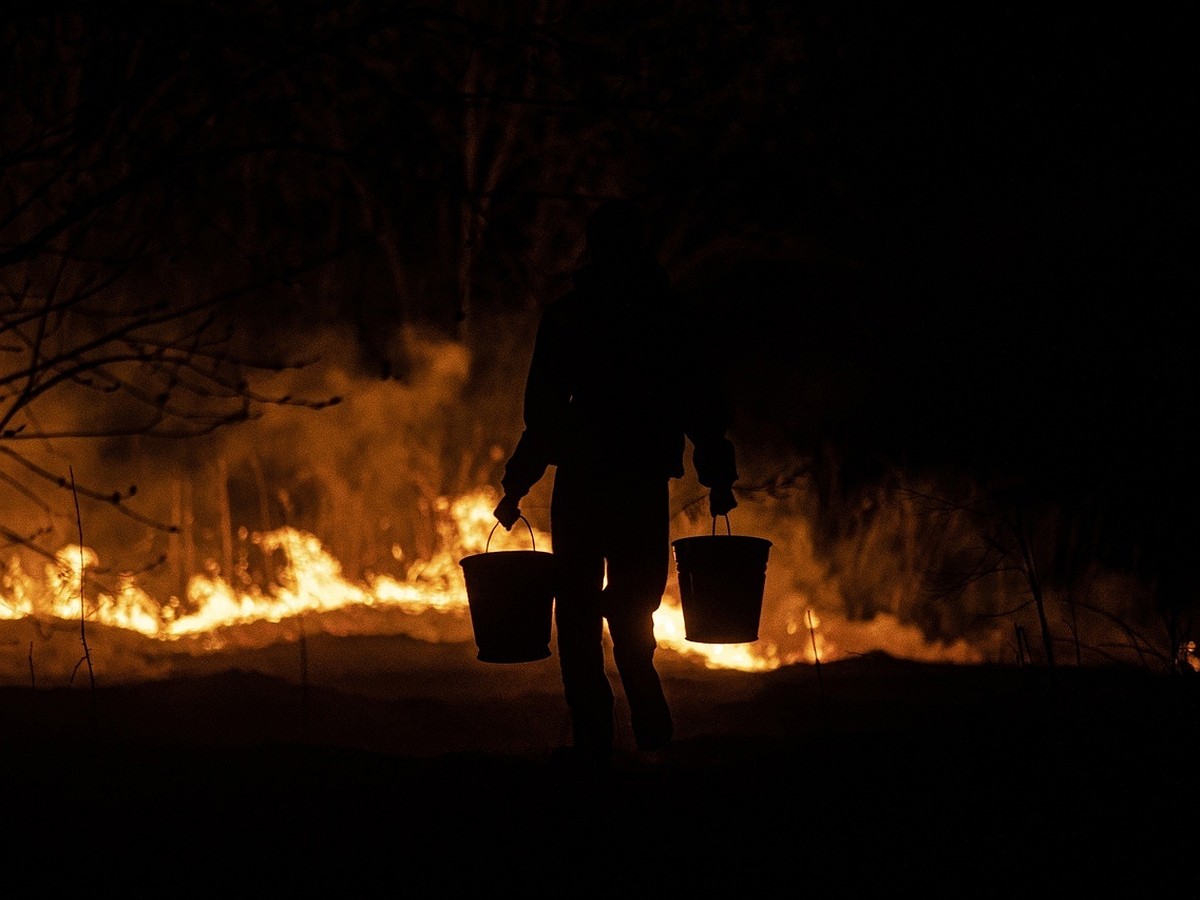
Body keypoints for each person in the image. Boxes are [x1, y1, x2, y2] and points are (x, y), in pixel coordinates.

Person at [492, 198, 739, 767]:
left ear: (594, 248)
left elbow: (546, 416)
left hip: (582, 482)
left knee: (577, 609)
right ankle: (645, 706)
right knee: (634, 600)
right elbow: (701, 404)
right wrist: (718, 476)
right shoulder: (670, 317)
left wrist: (518, 483)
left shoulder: (570, 317)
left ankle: (594, 742)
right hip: (640, 482)